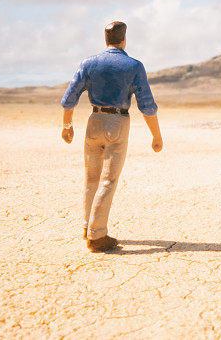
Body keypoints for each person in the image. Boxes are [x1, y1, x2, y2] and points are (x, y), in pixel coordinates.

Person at [60, 21, 163, 252]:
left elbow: (69, 98)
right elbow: (147, 105)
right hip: (117, 122)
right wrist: (156, 136)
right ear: (124, 40)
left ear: (106, 39)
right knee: (108, 180)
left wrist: (67, 125)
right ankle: (97, 235)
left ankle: (87, 226)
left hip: (93, 122)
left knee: (91, 178)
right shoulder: (134, 66)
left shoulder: (88, 64)